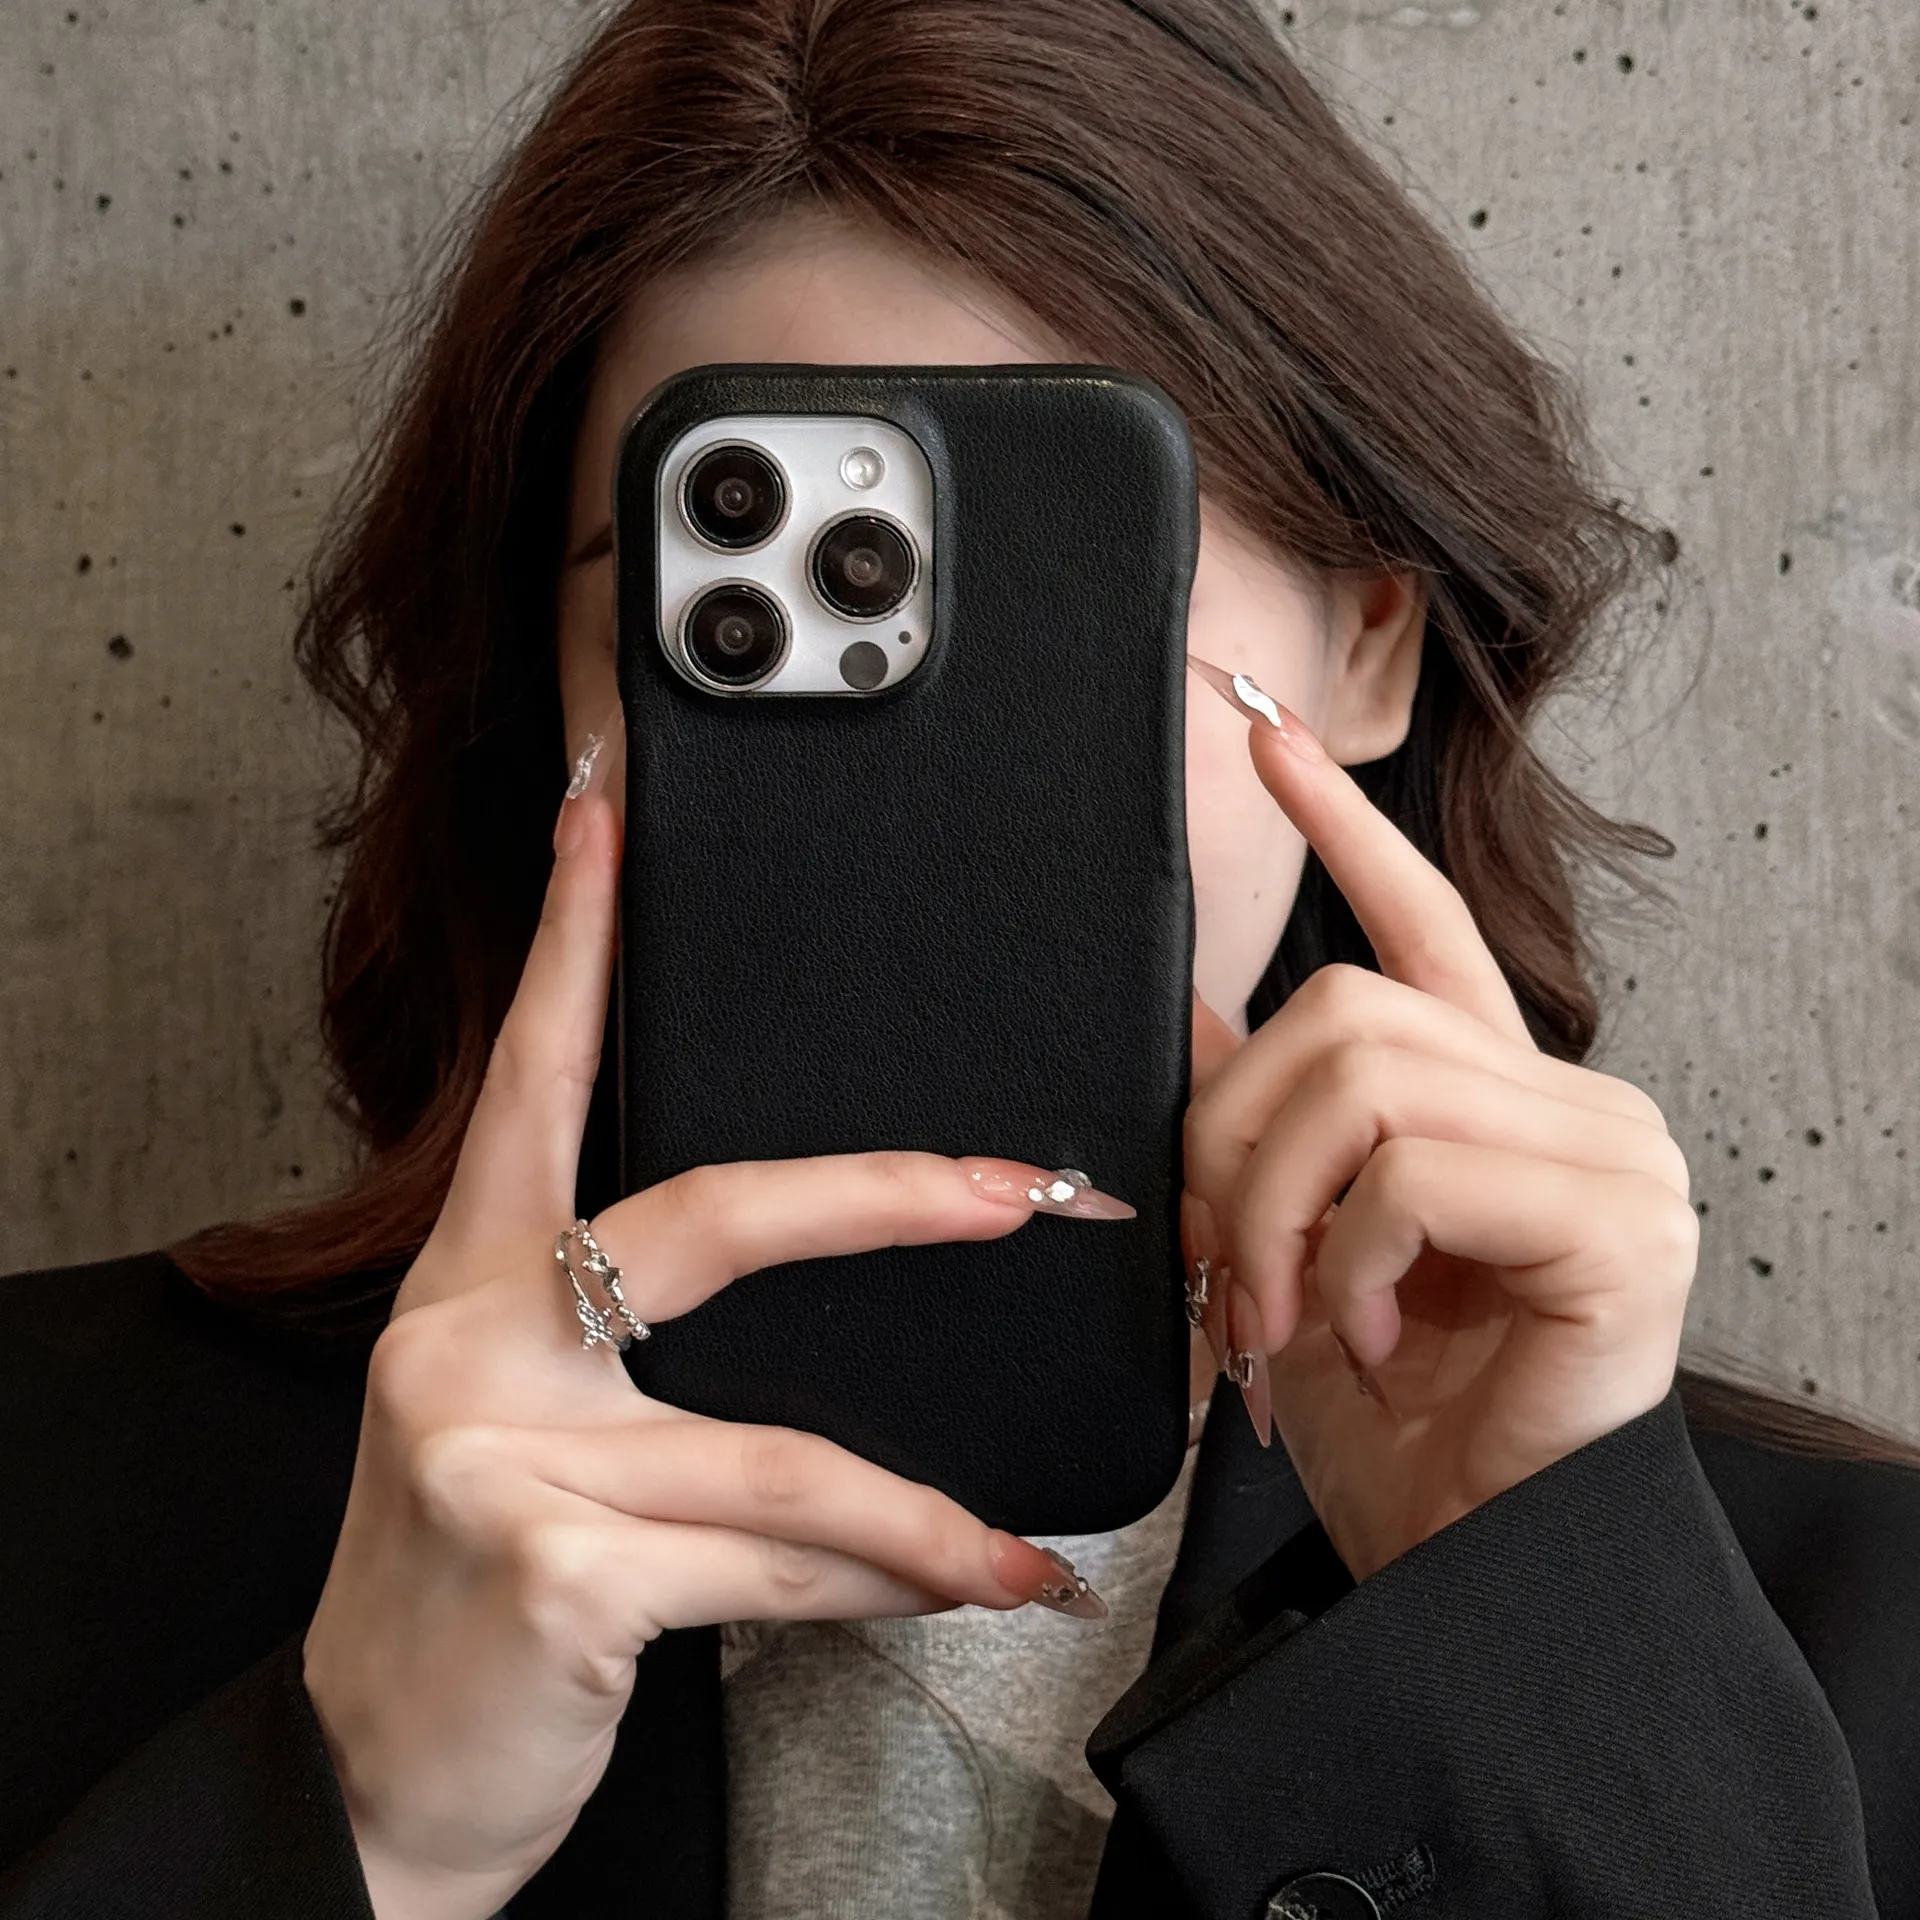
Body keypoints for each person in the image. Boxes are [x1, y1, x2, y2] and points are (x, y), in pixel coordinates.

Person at [3, 2, 1916, 1916]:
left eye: (1062, 585)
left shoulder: (1837, 1633)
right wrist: (359, 1816)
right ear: (550, 694)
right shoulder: (55, 1486)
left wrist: (1541, 1639)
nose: (929, 771)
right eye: (719, 606)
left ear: (1371, 647)